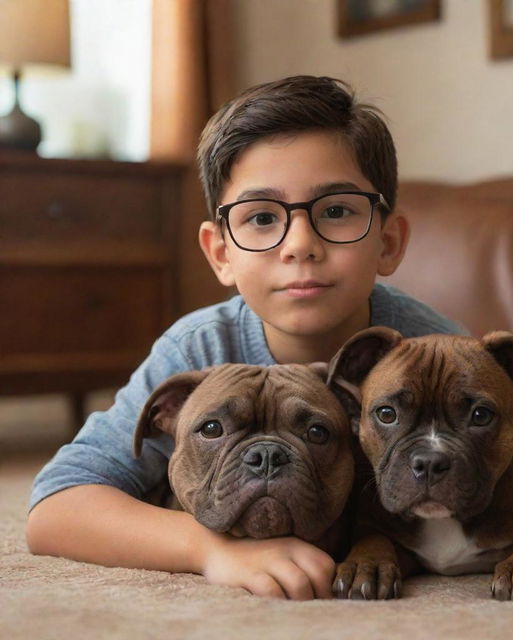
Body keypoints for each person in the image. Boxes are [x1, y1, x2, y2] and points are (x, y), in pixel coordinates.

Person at [26, 75, 463, 600]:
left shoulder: (431, 354)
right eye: (261, 217)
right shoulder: (197, 350)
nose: (300, 244)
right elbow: (55, 506)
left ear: (388, 242)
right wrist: (208, 548)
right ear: (220, 253)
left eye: (338, 211)